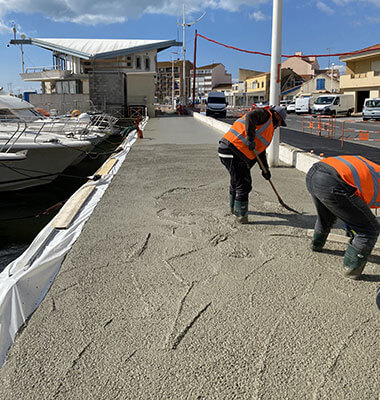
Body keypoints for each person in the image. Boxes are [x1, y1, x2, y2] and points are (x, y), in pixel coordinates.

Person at [306, 155, 380, 279]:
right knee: (369, 230)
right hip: (334, 182)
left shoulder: (375, 172)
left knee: (327, 216)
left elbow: (351, 208)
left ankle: (316, 244)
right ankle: (351, 270)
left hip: (314, 173)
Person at [218, 105, 287, 224]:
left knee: (237, 181)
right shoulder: (265, 114)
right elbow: (251, 116)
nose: (279, 126)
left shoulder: (267, 127)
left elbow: (260, 151)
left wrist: (265, 170)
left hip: (229, 150)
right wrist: (250, 139)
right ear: (277, 115)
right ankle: (241, 217)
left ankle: (234, 209)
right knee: (244, 185)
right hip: (234, 150)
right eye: (280, 122)